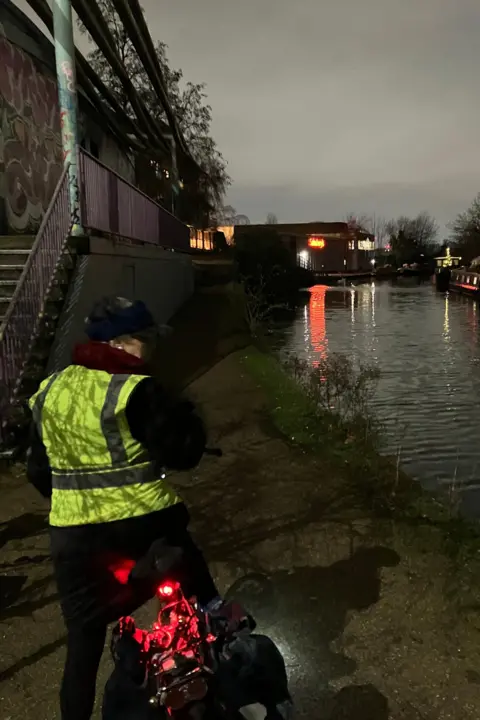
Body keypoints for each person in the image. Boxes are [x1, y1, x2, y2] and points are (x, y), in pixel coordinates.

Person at [26, 296, 226, 720]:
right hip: (143, 530)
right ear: (126, 343)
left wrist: (76, 501)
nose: (151, 349)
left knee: (83, 645)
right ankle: (220, 627)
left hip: (72, 539)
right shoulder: (136, 390)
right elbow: (184, 451)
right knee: (189, 566)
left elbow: (40, 474)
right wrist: (186, 412)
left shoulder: (50, 391)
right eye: (148, 340)